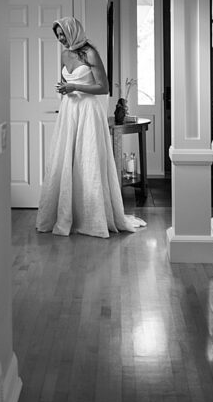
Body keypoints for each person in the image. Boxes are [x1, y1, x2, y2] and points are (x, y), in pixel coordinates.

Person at [36, 16, 146, 238]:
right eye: (58, 36)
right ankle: (68, 213)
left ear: (73, 32)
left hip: (88, 110)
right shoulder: (64, 54)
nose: (61, 40)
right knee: (66, 158)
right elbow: (65, 82)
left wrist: (75, 85)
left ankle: (93, 217)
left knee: (88, 158)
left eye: (63, 35)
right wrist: (64, 89)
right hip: (69, 109)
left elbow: (103, 87)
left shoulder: (90, 53)